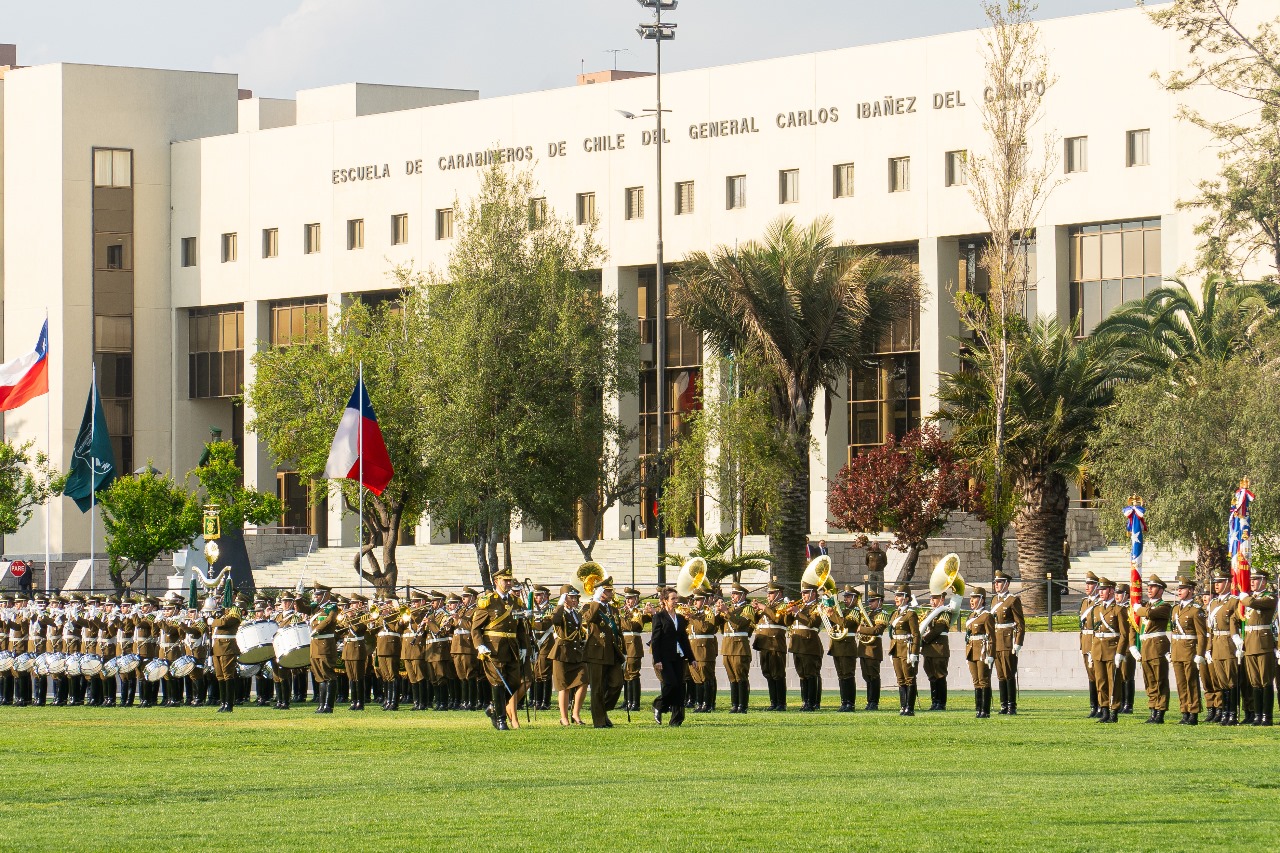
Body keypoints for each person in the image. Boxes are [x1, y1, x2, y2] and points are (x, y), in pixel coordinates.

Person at [473, 568, 524, 731]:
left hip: (512, 648)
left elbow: (521, 628)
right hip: (493, 649)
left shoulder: (516, 602)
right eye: (505, 580)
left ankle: (494, 707)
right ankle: (501, 719)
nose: (509, 583)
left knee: (515, 682)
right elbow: (476, 628)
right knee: (498, 682)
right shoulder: (487, 601)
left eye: (510, 580)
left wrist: (523, 646)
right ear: (497, 582)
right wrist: (480, 645)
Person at [580, 575, 625, 728]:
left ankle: (601, 710)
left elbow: (618, 630)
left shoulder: (612, 609)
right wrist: (596, 601)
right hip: (596, 653)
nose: (612, 593)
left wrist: (623, 649)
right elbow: (589, 618)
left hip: (612, 651)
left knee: (616, 684)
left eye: (611, 590)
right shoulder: (589, 606)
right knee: (598, 689)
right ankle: (599, 721)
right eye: (608, 591)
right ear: (600, 592)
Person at [650, 586, 695, 726]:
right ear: (664, 601)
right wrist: (657, 659)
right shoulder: (659, 617)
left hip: (678, 656)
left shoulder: (680, 618)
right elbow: (655, 640)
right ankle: (659, 705)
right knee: (671, 684)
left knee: (680, 687)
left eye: (676, 598)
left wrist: (692, 658)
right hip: (664, 657)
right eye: (673, 598)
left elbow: (684, 639)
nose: (676, 601)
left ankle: (677, 719)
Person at [1089, 577, 1131, 723]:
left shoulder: (1119, 609)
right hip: (1098, 649)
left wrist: (1120, 652)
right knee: (1100, 682)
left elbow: (1124, 634)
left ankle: (1114, 711)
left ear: (1111, 591)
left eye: (1104, 589)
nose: (1100, 592)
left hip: (1112, 650)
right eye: (1099, 589)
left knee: (1113, 682)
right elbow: (1094, 632)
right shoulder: (1096, 609)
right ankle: (1104, 709)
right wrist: (1091, 651)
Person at [1132, 575, 1172, 723]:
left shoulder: (1164, 606)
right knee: (1149, 681)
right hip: (1146, 647)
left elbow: (1150, 614)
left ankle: (1160, 711)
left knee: (1160, 679)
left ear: (1161, 590)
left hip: (1157, 647)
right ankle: (1153, 709)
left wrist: (1137, 608)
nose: (1149, 589)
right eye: (1148, 587)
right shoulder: (1145, 605)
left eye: (1153, 587)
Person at [1238, 567, 1275, 726]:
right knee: (1254, 682)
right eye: (1250, 580)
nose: (1251, 582)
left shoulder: (1270, 597)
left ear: (1263, 581)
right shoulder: (1250, 597)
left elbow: (1252, 603)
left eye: (1255, 580)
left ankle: (1267, 716)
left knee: (1265, 681)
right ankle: (1257, 715)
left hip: (1263, 644)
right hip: (1250, 644)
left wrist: (1243, 597)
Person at [1169, 574, 1207, 725]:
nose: (1179, 591)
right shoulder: (1175, 609)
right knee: (1180, 683)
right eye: (1178, 589)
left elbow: (1201, 634)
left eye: (1182, 589)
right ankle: (1184, 711)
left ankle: (1194, 712)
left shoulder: (1195, 610)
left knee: (1191, 682)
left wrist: (1200, 654)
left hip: (1190, 650)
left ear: (1191, 590)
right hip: (1178, 650)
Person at [1206, 570, 1242, 726]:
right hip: (1216, 643)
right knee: (1221, 681)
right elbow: (1210, 629)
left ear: (1228, 583)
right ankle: (1225, 712)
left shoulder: (1234, 601)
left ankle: (1232, 714)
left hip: (1229, 643)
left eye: (1220, 582)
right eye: (1216, 583)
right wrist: (1208, 648)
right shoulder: (1213, 603)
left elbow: (1240, 622)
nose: (1216, 585)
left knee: (1231, 680)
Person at [549, 584, 587, 726]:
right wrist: (560, 603)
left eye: (575, 597)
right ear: (565, 598)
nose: (575, 600)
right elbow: (555, 620)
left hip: (576, 652)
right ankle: (563, 717)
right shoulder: (560, 612)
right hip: (562, 652)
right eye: (571, 597)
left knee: (583, 680)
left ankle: (576, 713)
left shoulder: (576, 613)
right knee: (563, 686)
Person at [785, 581, 825, 711]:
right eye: (802, 593)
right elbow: (786, 622)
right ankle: (805, 701)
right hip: (797, 645)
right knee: (802, 674)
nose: (803, 596)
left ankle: (812, 702)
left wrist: (797, 612)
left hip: (809, 645)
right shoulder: (801, 607)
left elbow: (812, 623)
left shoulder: (818, 607)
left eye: (806, 593)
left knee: (811, 674)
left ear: (813, 594)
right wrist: (788, 612)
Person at [991, 570, 1025, 715]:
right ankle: (1003, 705)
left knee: (1009, 673)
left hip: (1008, 641)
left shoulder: (1013, 600)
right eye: (995, 582)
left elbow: (1020, 624)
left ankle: (1012, 705)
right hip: (996, 641)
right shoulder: (994, 601)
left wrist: (1018, 643)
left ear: (1006, 584)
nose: (996, 585)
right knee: (1000, 674)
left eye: (999, 582)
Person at [751, 581, 790, 711]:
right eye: (768, 593)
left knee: (778, 674)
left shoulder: (783, 605)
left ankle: (781, 703)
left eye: (771, 593)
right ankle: (773, 702)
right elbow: (757, 621)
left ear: (779, 593)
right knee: (767, 673)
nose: (768, 596)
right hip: (764, 644)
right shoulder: (768, 606)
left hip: (776, 644)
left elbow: (778, 619)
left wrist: (763, 608)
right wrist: (756, 610)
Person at [720, 583, 756, 713]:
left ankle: (743, 705)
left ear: (743, 596)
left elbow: (739, 624)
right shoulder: (730, 609)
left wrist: (726, 612)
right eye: (732, 594)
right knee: (732, 677)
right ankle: (734, 704)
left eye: (735, 594)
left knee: (741, 676)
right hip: (727, 646)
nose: (732, 596)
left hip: (740, 647)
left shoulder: (748, 609)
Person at [687, 589, 722, 712]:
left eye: (698, 599)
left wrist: (692, 618)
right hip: (692, 649)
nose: (695, 602)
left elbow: (705, 628)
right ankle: (699, 703)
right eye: (694, 600)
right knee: (697, 678)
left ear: (705, 600)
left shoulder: (709, 613)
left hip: (704, 650)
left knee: (706, 677)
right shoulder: (693, 614)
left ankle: (708, 704)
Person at [210, 593, 246, 713]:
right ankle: (223, 702)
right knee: (219, 675)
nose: (222, 598)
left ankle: (229, 704)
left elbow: (226, 622)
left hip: (227, 645)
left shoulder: (234, 609)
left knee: (228, 675)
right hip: (217, 646)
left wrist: (213, 621)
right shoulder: (221, 610)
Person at [827, 586, 861, 712]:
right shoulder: (844, 611)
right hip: (837, 646)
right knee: (841, 675)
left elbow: (846, 624)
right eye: (845, 597)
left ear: (854, 599)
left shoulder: (855, 611)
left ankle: (850, 703)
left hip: (847, 646)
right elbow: (835, 623)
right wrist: (828, 613)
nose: (845, 599)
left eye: (848, 597)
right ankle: (844, 702)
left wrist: (832, 614)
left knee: (848, 675)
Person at [888, 584, 920, 716]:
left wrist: (914, 652)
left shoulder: (910, 614)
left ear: (906, 598)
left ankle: (910, 707)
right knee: (900, 679)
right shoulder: (895, 613)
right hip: (896, 648)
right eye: (896, 595)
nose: (896, 598)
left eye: (899, 596)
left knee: (909, 678)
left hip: (906, 648)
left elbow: (916, 634)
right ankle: (903, 706)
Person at [308, 583, 340, 714]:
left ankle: (329, 705)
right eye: (315, 594)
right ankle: (321, 705)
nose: (316, 597)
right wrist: (298, 597)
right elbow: (301, 608)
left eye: (319, 594)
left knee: (328, 674)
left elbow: (329, 620)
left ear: (326, 595)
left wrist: (317, 629)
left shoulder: (332, 607)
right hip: (315, 645)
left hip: (325, 644)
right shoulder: (315, 608)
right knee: (319, 675)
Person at [964, 586, 995, 718]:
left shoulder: (986, 616)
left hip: (983, 651)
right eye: (971, 598)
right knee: (976, 680)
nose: (972, 601)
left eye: (975, 598)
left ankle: (985, 710)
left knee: (984, 680)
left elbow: (992, 637)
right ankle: (978, 709)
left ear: (982, 600)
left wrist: (991, 655)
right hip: (972, 650)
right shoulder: (971, 616)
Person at [919, 590, 953, 712]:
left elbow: (937, 629)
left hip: (939, 649)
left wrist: (921, 640)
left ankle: (941, 702)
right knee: (931, 676)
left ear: (942, 600)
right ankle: (934, 701)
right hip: (928, 650)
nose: (932, 601)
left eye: (935, 599)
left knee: (940, 676)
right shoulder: (930, 613)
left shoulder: (945, 612)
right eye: (931, 599)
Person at [618, 587, 650, 712]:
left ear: (636, 599)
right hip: (623, 645)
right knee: (625, 674)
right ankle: (627, 701)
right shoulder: (624, 612)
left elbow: (632, 626)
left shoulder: (638, 612)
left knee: (633, 674)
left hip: (633, 646)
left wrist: (619, 618)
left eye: (630, 598)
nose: (628, 601)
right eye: (626, 599)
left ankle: (635, 703)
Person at [854, 590, 888, 710]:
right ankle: (869, 701)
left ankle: (874, 702)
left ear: (880, 602)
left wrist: (861, 629)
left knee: (873, 676)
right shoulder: (868, 613)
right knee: (866, 676)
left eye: (873, 601)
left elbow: (877, 630)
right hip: (863, 648)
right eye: (869, 601)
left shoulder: (882, 614)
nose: (870, 603)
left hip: (873, 649)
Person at [1078, 572, 1101, 717]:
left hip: (1095, 641)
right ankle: (1093, 706)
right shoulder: (1084, 602)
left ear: (1097, 586)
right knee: (1090, 676)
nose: (1087, 587)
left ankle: (1101, 706)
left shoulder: (1099, 604)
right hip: (1086, 642)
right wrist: (1081, 645)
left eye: (1091, 584)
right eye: (1086, 584)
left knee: (1098, 675)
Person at [402, 589, 429, 711]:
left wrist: (411, 614)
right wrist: (401, 620)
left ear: (422, 602)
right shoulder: (408, 615)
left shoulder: (424, 613)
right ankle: (416, 701)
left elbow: (422, 628)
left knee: (420, 676)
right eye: (413, 602)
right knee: (412, 677)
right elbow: (398, 628)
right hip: (406, 650)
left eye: (416, 602)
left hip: (418, 649)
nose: (414, 604)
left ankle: (423, 702)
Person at [1114, 583, 1137, 714]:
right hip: (1118, 644)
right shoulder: (1116, 608)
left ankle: (1128, 704)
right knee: (1120, 676)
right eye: (1116, 593)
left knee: (1127, 674)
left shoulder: (1130, 609)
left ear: (1127, 595)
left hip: (1128, 645)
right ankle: (1122, 702)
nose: (1117, 596)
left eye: (1120, 593)